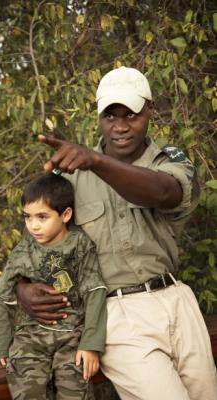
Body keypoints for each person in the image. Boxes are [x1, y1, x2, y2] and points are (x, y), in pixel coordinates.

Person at [16, 67, 217, 400]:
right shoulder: (70, 181)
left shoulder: (171, 161)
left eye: (132, 115)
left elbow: (162, 192)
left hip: (177, 300)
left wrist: (96, 161)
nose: (121, 126)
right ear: (98, 116)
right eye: (110, 115)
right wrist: (23, 288)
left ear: (150, 110)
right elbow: (36, 246)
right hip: (118, 315)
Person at [0, 173, 107, 400]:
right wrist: (2, 345)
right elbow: (0, 297)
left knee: (75, 392)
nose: (33, 226)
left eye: (42, 217)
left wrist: (91, 344)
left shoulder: (80, 245)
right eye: (28, 217)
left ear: (65, 214)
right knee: (27, 391)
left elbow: (95, 291)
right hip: (31, 338)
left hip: (73, 337)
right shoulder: (24, 251)